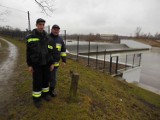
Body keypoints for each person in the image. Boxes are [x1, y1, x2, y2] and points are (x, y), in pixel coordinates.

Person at [26, 18, 55, 108]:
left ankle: (45, 94)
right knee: (37, 81)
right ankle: (36, 99)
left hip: (46, 63)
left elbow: (50, 52)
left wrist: (52, 63)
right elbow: (28, 52)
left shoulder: (48, 38)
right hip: (36, 64)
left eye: (43, 24)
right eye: (40, 24)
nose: (41, 26)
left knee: (46, 80)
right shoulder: (30, 37)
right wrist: (29, 65)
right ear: (36, 25)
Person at [49, 24, 67, 97]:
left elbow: (63, 51)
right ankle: (44, 91)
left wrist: (64, 61)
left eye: (57, 30)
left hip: (56, 64)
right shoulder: (47, 38)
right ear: (51, 30)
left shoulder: (60, 40)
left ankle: (51, 90)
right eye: (54, 29)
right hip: (47, 63)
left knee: (54, 79)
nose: (56, 31)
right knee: (45, 78)